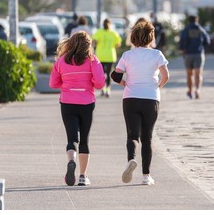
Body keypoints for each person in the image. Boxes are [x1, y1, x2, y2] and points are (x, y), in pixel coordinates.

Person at [110, 20, 169, 185]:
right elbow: (166, 76)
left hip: (130, 98)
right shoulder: (157, 54)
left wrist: (124, 83)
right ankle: (146, 176)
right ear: (151, 37)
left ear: (133, 37)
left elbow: (115, 75)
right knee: (147, 138)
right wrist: (158, 86)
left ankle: (131, 159)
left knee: (132, 135)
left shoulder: (127, 55)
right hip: (151, 98)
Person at [49, 31, 105, 186]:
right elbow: (100, 83)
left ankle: (71, 160)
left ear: (71, 43)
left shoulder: (61, 61)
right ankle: (82, 176)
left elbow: (53, 83)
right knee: (84, 139)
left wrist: (67, 84)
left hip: (67, 102)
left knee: (72, 138)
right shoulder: (93, 61)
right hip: (87, 102)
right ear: (88, 45)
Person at [178, 15, 210, 99]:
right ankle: (198, 90)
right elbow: (207, 41)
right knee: (198, 74)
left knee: (189, 74)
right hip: (198, 53)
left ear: (189, 21)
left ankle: (190, 90)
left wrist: (181, 49)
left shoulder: (186, 30)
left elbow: (181, 41)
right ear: (197, 20)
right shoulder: (201, 29)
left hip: (188, 54)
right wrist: (201, 47)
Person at [92, 18, 122, 97]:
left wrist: (97, 45)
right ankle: (107, 89)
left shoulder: (99, 32)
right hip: (110, 55)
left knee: (102, 74)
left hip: (101, 55)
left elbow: (94, 41)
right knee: (108, 74)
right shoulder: (113, 33)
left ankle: (104, 88)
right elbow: (118, 43)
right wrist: (112, 46)